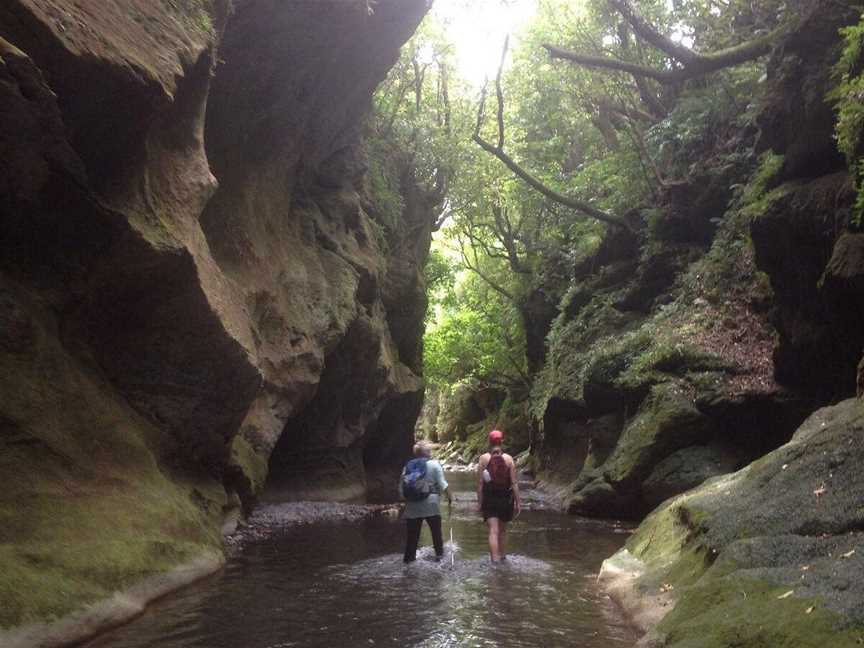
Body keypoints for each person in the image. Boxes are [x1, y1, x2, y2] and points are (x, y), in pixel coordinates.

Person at [399, 441, 451, 563]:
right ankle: (439, 558)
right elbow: (442, 484)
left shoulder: (408, 466)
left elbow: (401, 488)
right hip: (431, 505)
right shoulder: (434, 465)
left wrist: (408, 500)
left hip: (412, 506)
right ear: (427, 453)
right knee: (436, 534)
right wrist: (450, 497)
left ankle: (408, 562)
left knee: (412, 539)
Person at [477, 429, 521, 563]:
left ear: (489, 442)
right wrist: (518, 502)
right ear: (501, 442)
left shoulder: (484, 459)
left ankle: (494, 561)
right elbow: (514, 483)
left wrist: (479, 503)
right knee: (502, 531)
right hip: (505, 499)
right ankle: (502, 557)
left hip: (490, 499)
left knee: (493, 531)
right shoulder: (508, 459)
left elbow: (480, 484)